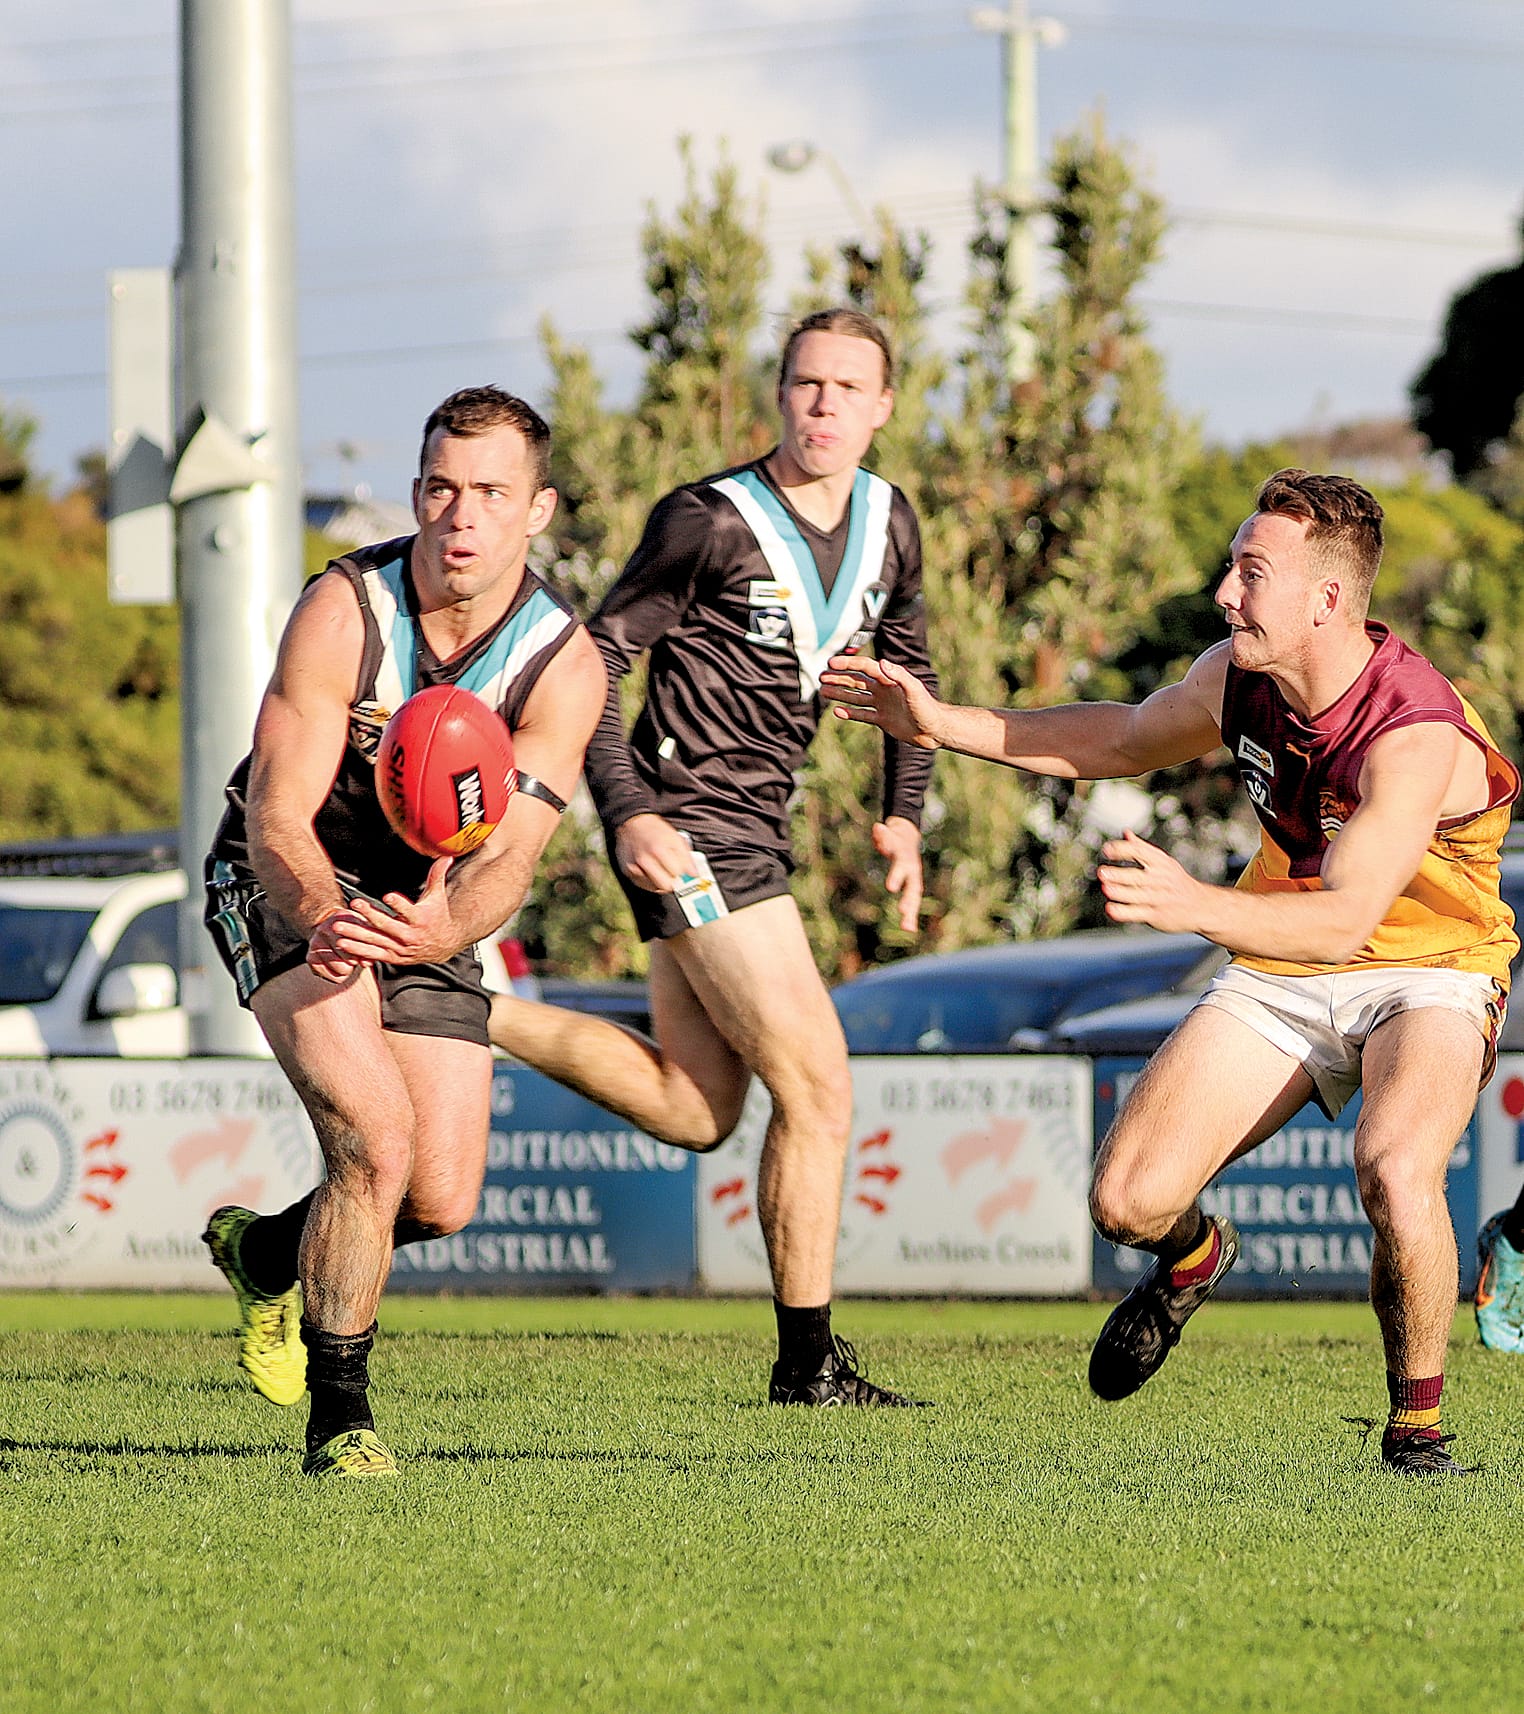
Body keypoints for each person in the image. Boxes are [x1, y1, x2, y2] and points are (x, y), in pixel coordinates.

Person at [823, 468, 1519, 1473]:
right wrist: (939, 723)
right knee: (1126, 1201)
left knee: (1395, 1165)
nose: (1224, 591)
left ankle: (1417, 1432)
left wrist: (1192, 904)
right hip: (1286, 955)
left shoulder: (1412, 733)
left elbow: (1347, 919)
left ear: (1326, 600)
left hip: (1431, 970)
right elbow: (1120, 735)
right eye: (1232, 565)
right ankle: (1194, 1257)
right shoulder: (1238, 675)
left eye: (1251, 572)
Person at [486, 308, 938, 1405]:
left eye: (848, 387)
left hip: (755, 828)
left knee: (697, 1107)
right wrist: (627, 811)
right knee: (819, 1087)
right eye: (806, 382)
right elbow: (590, 666)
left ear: (884, 406)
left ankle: (454, 1001)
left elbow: (908, 667)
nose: (824, 403)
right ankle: (807, 1367)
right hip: (691, 825)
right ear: (779, 394)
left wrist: (905, 814)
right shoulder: (707, 518)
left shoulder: (890, 521)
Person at [202, 387, 606, 1477]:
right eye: (441, 488)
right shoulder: (345, 610)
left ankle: (265, 1251)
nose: (461, 515)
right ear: (417, 493)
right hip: (288, 881)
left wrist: (442, 925)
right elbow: (276, 811)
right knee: (374, 1140)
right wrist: (323, 916)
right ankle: (340, 1423)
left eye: (492, 493)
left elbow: (509, 859)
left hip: (426, 905)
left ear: (538, 510)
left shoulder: (564, 664)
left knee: (439, 1194)